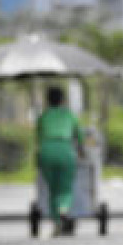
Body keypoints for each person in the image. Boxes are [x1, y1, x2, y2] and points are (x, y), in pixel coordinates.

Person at [36, 86, 84, 236]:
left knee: (53, 189)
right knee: (65, 187)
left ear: (48, 100)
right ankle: (64, 209)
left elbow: (38, 138)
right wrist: (82, 151)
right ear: (63, 100)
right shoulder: (69, 115)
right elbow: (79, 136)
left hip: (47, 151)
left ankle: (56, 222)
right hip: (65, 150)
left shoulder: (43, 116)